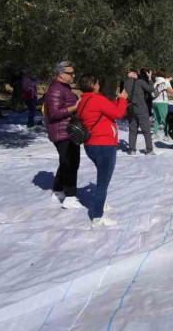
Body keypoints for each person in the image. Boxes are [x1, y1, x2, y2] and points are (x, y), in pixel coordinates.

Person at [77, 74, 128, 227]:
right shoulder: (97, 99)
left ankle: (101, 202)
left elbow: (107, 109)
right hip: (104, 145)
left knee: (102, 179)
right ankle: (97, 216)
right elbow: (118, 113)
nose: (99, 83)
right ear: (93, 85)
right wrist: (123, 99)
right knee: (102, 183)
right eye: (97, 81)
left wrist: (118, 101)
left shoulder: (83, 101)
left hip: (90, 145)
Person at [45, 62, 82, 209]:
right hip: (62, 133)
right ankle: (70, 197)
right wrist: (75, 107)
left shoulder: (64, 88)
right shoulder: (56, 90)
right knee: (71, 163)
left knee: (65, 162)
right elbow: (54, 113)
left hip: (67, 131)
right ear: (61, 74)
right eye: (70, 73)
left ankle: (58, 190)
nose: (73, 75)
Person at [124, 69, 155, 155]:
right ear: (134, 74)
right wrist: (149, 78)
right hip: (141, 109)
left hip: (131, 110)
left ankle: (132, 150)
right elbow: (151, 89)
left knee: (132, 130)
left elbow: (123, 97)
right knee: (146, 131)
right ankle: (149, 150)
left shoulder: (125, 83)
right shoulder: (140, 82)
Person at [152, 70, 173, 140]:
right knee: (165, 119)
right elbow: (172, 92)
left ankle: (154, 133)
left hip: (154, 102)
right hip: (162, 102)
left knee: (156, 118)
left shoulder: (155, 82)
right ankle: (166, 135)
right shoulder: (164, 82)